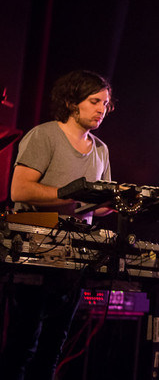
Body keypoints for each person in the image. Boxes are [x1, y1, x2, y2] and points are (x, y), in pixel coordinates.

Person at [1, 69, 114, 379]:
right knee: (24, 342)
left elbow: (99, 205)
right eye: (94, 101)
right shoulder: (44, 135)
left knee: (55, 343)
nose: (101, 110)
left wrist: (117, 203)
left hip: (75, 252)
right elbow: (19, 191)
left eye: (105, 104)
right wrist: (72, 199)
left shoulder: (101, 150)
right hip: (35, 243)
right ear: (70, 101)